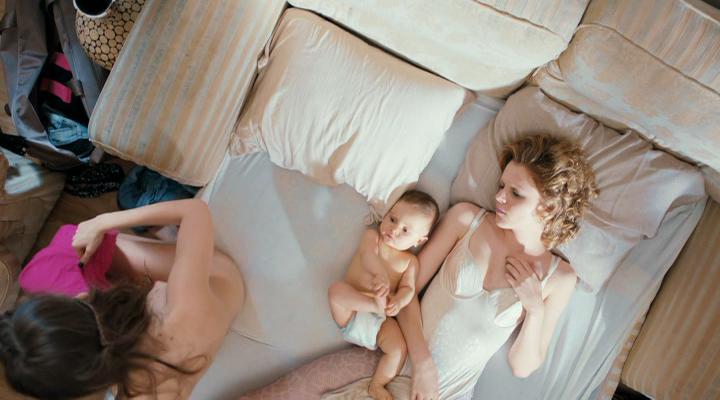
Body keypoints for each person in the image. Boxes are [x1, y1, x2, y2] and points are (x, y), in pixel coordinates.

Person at [240, 134, 597, 400]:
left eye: (515, 193)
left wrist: (534, 309)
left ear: (549, 206)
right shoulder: (467, 220)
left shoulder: (560, 278)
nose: (499, 196)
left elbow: (523, 366)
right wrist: (422, 362)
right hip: (392, 364)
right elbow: (406, 293)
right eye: (502, 185)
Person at [0, 199, 244, 399]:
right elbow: (194, 211)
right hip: (216, 275)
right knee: (68, 245)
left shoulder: (126, 384)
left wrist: (101, 224)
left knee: (43, 271)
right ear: (82, 299)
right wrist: (102, 222)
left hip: (191, 289)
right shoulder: (179, 309)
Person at [328, 190, 439, 400]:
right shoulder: (373, 237)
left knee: (399, 349)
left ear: (419, 240)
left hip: (380, 323)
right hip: (353, 312)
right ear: (386, 214)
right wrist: (379, 273)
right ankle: (373, 304)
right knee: (336, 291)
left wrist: (398, 301)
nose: (394, 229)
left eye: (405, 230)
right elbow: (367, 255)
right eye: (393, 219)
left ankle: (377, 385)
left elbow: (408, 289)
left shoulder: (410, 262)